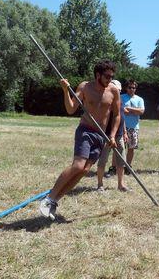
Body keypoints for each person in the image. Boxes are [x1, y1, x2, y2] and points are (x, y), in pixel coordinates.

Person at [39, 60, 120, 220]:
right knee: (78, 165)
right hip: (86, 130)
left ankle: (54, 201)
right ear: (98, 74)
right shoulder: (85, 87)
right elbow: (70, 109)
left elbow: (117, 115)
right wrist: (65, 90)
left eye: (112, 76)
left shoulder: (114, 91)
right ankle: (48, 198)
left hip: (101, 136)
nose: (109, 79)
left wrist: (112, 135)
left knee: (83, 171)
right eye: (107, 76)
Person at [96, 80, 131, 192]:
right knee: (103, 160)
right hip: (106, 136)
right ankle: (100, 185)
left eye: (119, 91)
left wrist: (125, 132)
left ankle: (121, 185)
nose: (117, 93)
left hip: (119, 135)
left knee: (121, 161)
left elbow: (121, 118)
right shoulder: (106, 101)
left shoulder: (120, 101)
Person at [121, 79, 145, 171]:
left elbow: (141, 111)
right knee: (120, 148)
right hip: (122, 127)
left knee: (131, 148)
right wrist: (134, 110)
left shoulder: (139, 99)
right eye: (130, 87)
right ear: (126, 88)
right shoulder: (121, 97)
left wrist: (129, 109)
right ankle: (116, 167)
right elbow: (119, 109)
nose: (132, 89)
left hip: (134, 127)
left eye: (133, 87)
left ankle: (128, 166)